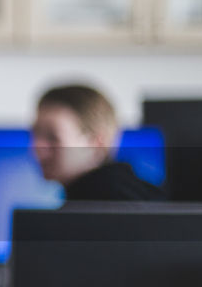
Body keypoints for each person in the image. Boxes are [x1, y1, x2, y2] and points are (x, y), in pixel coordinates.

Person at [30, 83, 165, 202]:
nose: (37, 147)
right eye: (35, 134)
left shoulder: (108, 206)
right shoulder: (132, 194)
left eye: (52, 137)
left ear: (96, 143)